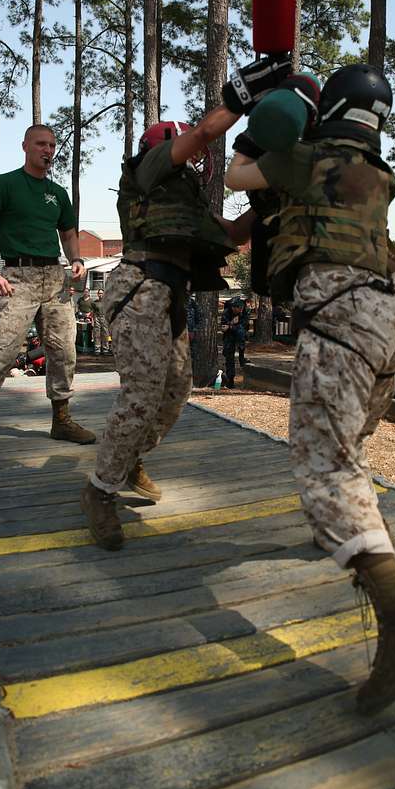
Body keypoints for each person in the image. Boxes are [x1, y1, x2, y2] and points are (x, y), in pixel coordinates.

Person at [225, 62, 395, 715]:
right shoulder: (375, 171)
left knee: (326, 469)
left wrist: (255, 112)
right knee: (348, 450)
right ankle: (349, 538)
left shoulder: (305, 157)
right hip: (392, 322)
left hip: (340, 321)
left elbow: (232, 176)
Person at [79, 54, 288, 550]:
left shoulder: (187, 200)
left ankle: (127, 459)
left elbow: (232, 234)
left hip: (169, 295)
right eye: (182, 148)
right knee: (142, 393)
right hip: (138, 289)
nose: (193, 158)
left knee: (176, 392)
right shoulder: (146, 171)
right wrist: (236, 100)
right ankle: (100, 490)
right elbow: (199, 137)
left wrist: (266, 203)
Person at [0, 124, 95, 463]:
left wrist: (77, 258)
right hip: (18, 277)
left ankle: (62, 420)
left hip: (54, 277)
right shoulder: (4, 184)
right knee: (2, 351)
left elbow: (68, 234)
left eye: (52, 145)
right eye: (41, 143)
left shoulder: (58, 193)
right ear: (25, 145)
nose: (48, 150)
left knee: (64, 350)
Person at [221, 295, 250, 387]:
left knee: (242, 356)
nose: (240, 310)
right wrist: (232, 324)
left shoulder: (244, 312)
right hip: (229, 337)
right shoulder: (226, 312)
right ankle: (230, 381)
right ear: (233, 308)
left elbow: (244, 325)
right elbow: (223, 328)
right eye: (238, 309)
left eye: (241, 308)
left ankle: (243, 361)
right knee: (229, 359)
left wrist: (231, 327)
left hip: (240, 337)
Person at [91, 288, 110, 354]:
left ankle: (105, 349)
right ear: (97, 294)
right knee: (97, 334)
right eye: (99, 293)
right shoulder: (94, 303)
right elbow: (93, 312)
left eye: (101, 293)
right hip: (97, 317)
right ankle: (97, 349)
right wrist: (93, 320)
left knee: (105, 334)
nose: (100, 295)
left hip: (104, 318)